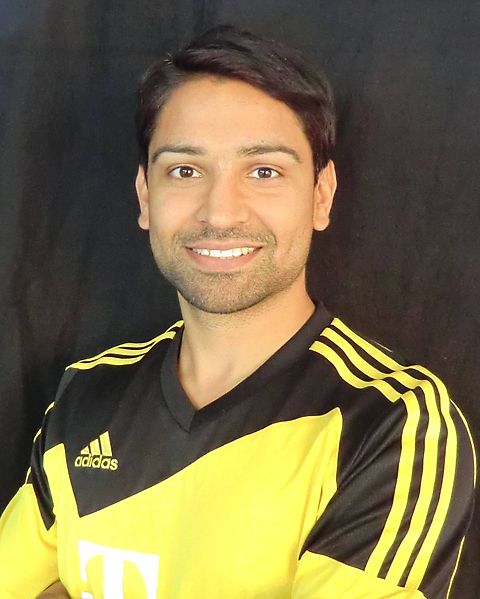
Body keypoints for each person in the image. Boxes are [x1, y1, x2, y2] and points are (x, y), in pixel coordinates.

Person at [0, 24, 475, 599]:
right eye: (184, 170)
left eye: (264, 171)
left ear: (321, 195)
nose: (220, 213)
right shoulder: (88, 393)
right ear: (146, 197)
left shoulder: (393, 423)